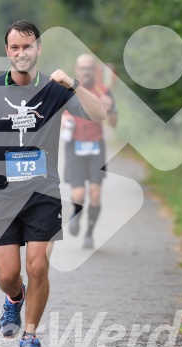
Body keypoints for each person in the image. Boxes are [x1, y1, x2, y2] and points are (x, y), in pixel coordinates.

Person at [0, 20, 106, 347]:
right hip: (1, 191)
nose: (21, 53)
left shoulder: (55, 90)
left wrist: (74, 84)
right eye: (15, 47)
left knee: (38, 266)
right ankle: (14, 298)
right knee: (8, 274)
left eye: (27, 47)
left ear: (38, 48)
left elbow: (98, 113)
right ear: (7, 51)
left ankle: (31, 335)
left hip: (44, 192)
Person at [62, 54, 118, 249]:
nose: (85, 72)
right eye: (82, 68)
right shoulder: (67, 90)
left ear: (94, 70)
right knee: (78, 193)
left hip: (96, 145)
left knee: (95, 193)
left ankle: (89, 233)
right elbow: (55, 115)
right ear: (77, 70)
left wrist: (110, 110)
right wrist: (63, 121)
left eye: (89, 68)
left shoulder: (103, 92)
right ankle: (75, 216)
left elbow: (113, 123)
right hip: (74, 145)